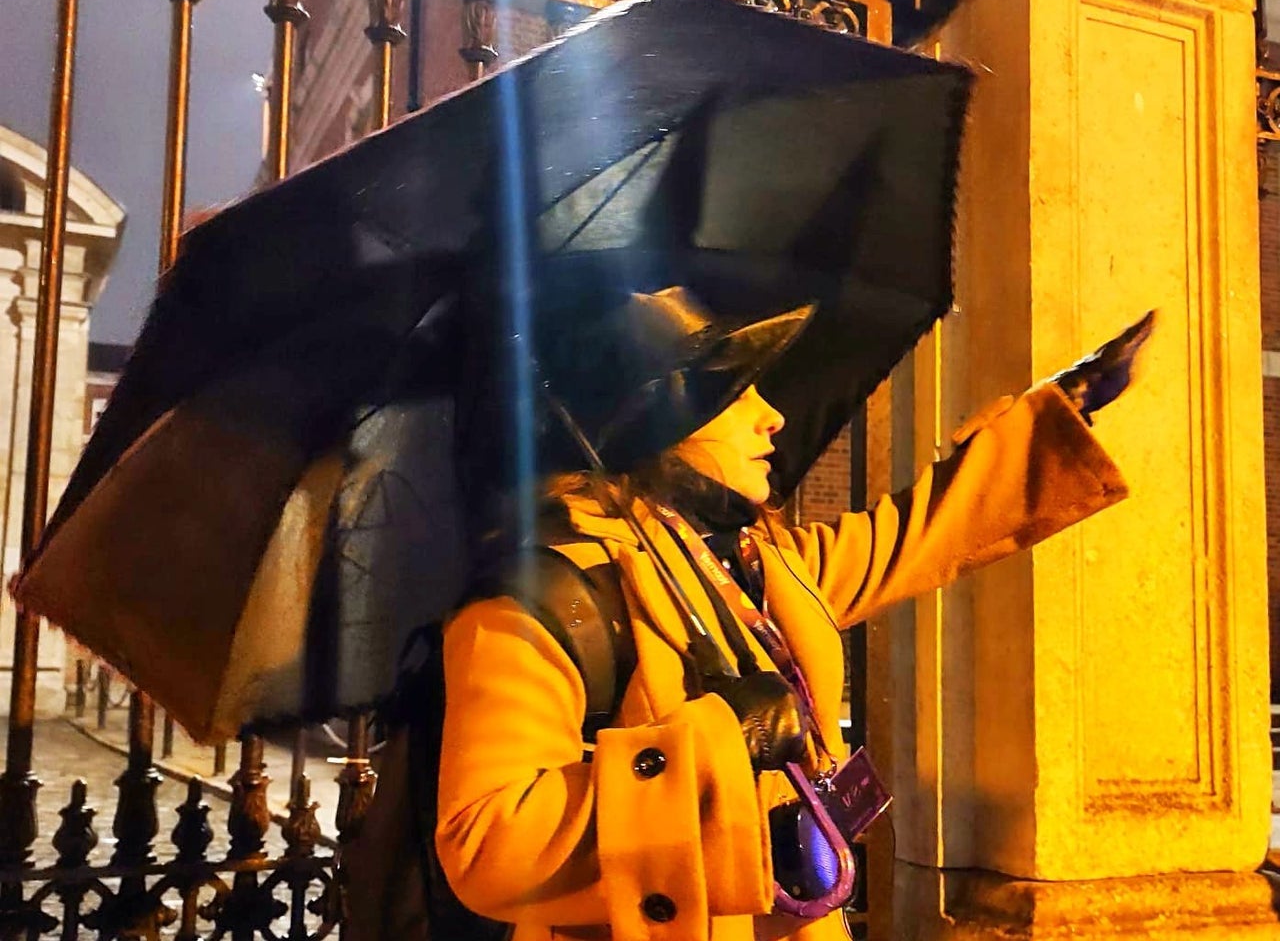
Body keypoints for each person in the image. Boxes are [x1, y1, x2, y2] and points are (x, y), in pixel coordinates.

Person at [433, 284, 1154, 941]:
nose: (771, 418)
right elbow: (488, 843)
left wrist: (1064, 408)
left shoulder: (749, 558)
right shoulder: (546, 595)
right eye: (736, 395)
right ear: (656, 423)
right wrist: (717, 743)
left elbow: (916, 533)